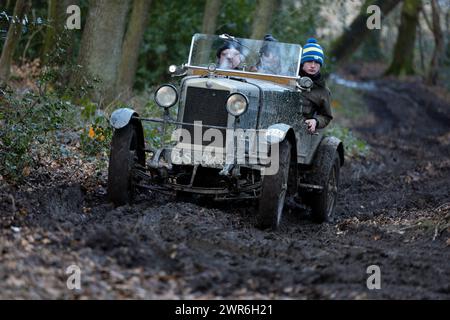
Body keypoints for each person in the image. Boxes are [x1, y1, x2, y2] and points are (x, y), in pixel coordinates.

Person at [299, 38, 332, 133]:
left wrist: (316, 121)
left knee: (277, 146)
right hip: (275, 126)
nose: (313, 66)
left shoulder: (323, 90)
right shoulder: (288, 77)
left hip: (300, 132)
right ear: (302, 63)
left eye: (317, 62)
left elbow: (326, 116)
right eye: (309, 61)